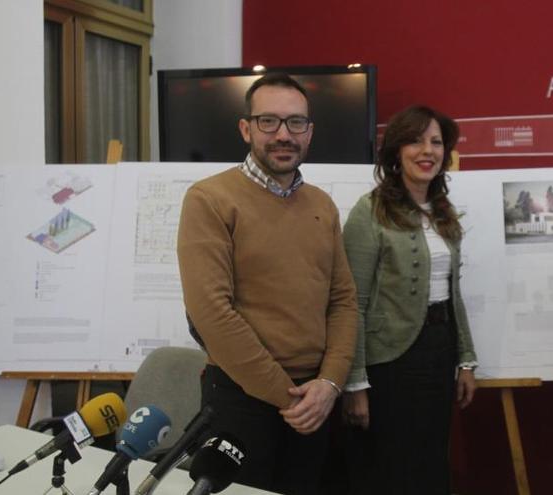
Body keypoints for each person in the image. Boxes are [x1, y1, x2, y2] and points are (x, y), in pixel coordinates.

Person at [176, 73, 358, 495]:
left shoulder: (321, 205)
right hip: (243, 401)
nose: (283, 135)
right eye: (268, 122)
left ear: (309, 132)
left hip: (314, 400)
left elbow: (344, 300)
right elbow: (211, 314)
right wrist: (289, 397)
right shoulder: (209, 199)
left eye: (296, 123)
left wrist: (329, 384)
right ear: (246, 128)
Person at [340, 105, 477, 495]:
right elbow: (353, 302)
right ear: (396, 152)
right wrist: (355, 383)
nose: (427, 150)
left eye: (436, 142)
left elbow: (454, 293)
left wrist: (465, 359)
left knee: (430, 460)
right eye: (416, 140)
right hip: (390, 362)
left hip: (439, 351)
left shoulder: (443, 212)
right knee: (389, 466)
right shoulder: (370, 211)